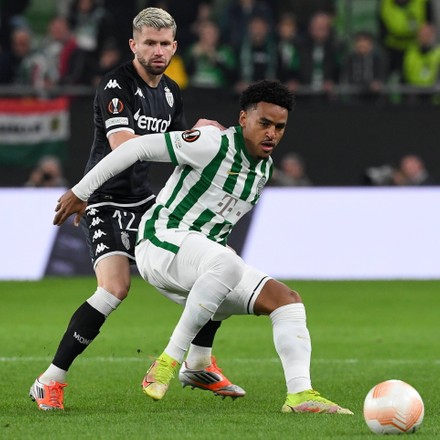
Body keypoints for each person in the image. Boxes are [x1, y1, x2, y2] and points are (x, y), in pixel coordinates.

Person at [52, 79, 353, 415]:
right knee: (227, 262)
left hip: (200, 262)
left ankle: (299, 395)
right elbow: (135, 148)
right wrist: (82, 191)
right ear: (243, 119)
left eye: (279, 127)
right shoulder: (210, 143)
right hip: (159, 243)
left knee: (287, 302)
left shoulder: (263, 169)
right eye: (264, 123)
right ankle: (169, 360)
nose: (271, 134)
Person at [29, 7, 244, 412]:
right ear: (134, 45)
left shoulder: (171, 92)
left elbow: (179, 151)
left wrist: (199, 137)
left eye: (165, 44)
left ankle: (198, 364)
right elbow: (126, 148)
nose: (158, 50)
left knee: (218, 265)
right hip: (105, 201)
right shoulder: (115, 86)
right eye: (150, 43)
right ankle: (50, 380)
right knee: (114, 289)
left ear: (175, 46)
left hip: (147, 202)